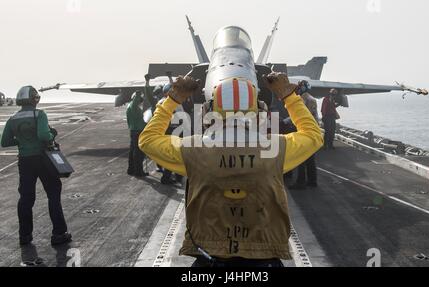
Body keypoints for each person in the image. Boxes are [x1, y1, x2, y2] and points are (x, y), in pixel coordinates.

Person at [139, 73, 323, 267]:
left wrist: (173, 99)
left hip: (210, 260)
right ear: (259, 111)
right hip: (263, 260)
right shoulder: (276, 148)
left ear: (209, 110)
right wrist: (289, 96)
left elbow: (147, 140)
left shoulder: (193, 149)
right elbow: (313, 135)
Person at [1, 86, 71, 246]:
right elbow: (43, 135)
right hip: (43, 159)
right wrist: (52, 134)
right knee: (53, 193)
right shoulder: (39, 114)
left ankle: (24, 235)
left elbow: (4, 142)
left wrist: (21, 141)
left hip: (25, 161)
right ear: (34, 99)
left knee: (26, 198)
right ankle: (59, 233)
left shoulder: (13, 118)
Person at [126, 91, 148, 177]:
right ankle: (139, 171)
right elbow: (136, 100)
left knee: (132, 152)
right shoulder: (133, 106)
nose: (141, 101)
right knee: (138, 153)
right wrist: (139, 94)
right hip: (138, 131)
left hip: (133, 130)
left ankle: (131, 169)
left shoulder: (129, 106)